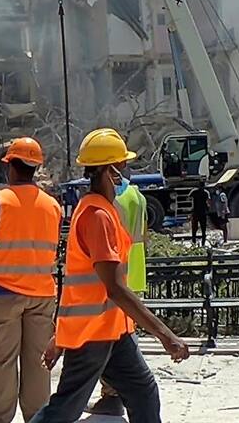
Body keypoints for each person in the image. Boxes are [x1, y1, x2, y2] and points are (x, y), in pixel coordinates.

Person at [29, 128, 188, 423]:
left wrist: (58, 337)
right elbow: (113, 288)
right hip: (94, 332)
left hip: (112, 329)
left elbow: (76, 286)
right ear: (109, 170)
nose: (125, 172)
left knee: (143, 393)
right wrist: (166, 335)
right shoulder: (96, 216)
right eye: (122, 165)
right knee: (65, 409)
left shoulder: (101, 209)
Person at [0, 137, 61, 423]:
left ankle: (0, 418)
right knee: (38, 363)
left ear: (11, 166)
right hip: (42, 293)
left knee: (2, 361)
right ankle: (37, 417)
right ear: (35, 168)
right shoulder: (52, 206)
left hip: (4, 293)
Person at [87, 159, 149, 417]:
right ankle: (120, 392)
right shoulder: (138, 197)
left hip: (115, 272)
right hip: (135, 268)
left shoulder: (110, 201)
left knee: (108, 334)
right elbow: (145, 235)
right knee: (124, 334)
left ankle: (111, 394)